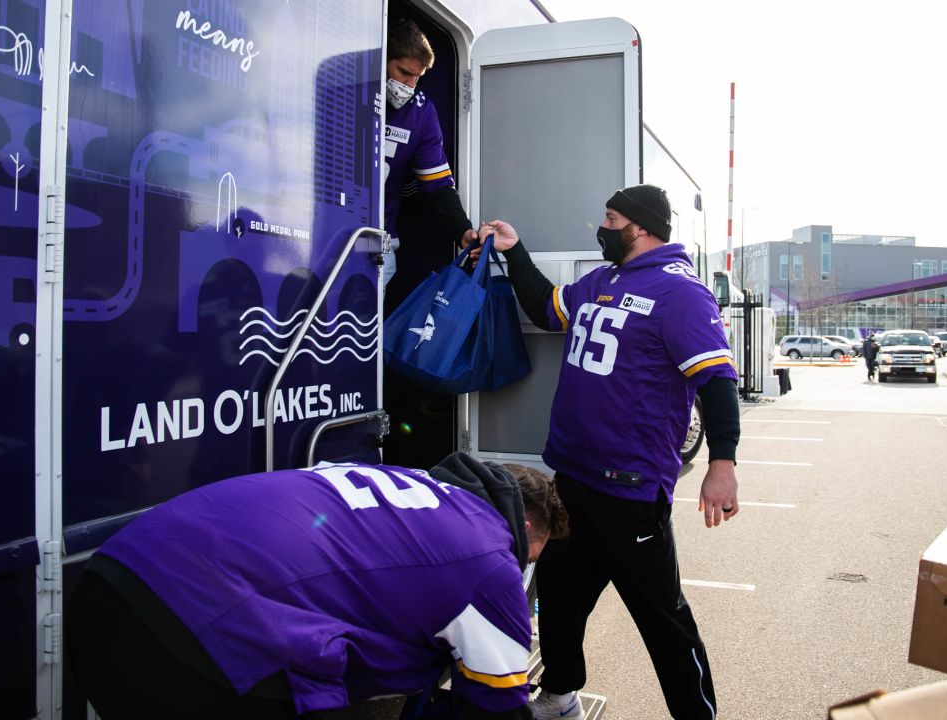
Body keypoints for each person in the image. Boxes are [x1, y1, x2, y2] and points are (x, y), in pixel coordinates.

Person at [477, 184, 741, 720]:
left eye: (611, 218)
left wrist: (722, 463)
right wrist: (514, 250)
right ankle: (561, 694)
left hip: (631, 488)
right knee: (559, 598)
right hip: (573, 478)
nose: (602, 226)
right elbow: (548, 310)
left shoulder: (681, 293)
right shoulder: (604, 280)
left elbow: (717, 380)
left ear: (640, 228)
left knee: (663, 620)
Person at [66, 453, 568, 720]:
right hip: (195, 636)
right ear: (526, 527)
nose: (522, 567)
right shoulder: (488, 558)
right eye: (532, 555)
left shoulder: (405, 480)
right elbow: (496, 709)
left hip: (112, 577)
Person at [381, 18, 477, 290]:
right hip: (323, 232)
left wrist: (463, 231)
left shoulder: (421, 113)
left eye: (417, 77)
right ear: (381, 58)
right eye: (403, 72)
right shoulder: (344, 88)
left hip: (379, 240)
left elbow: (437, 187)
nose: (410, 85)